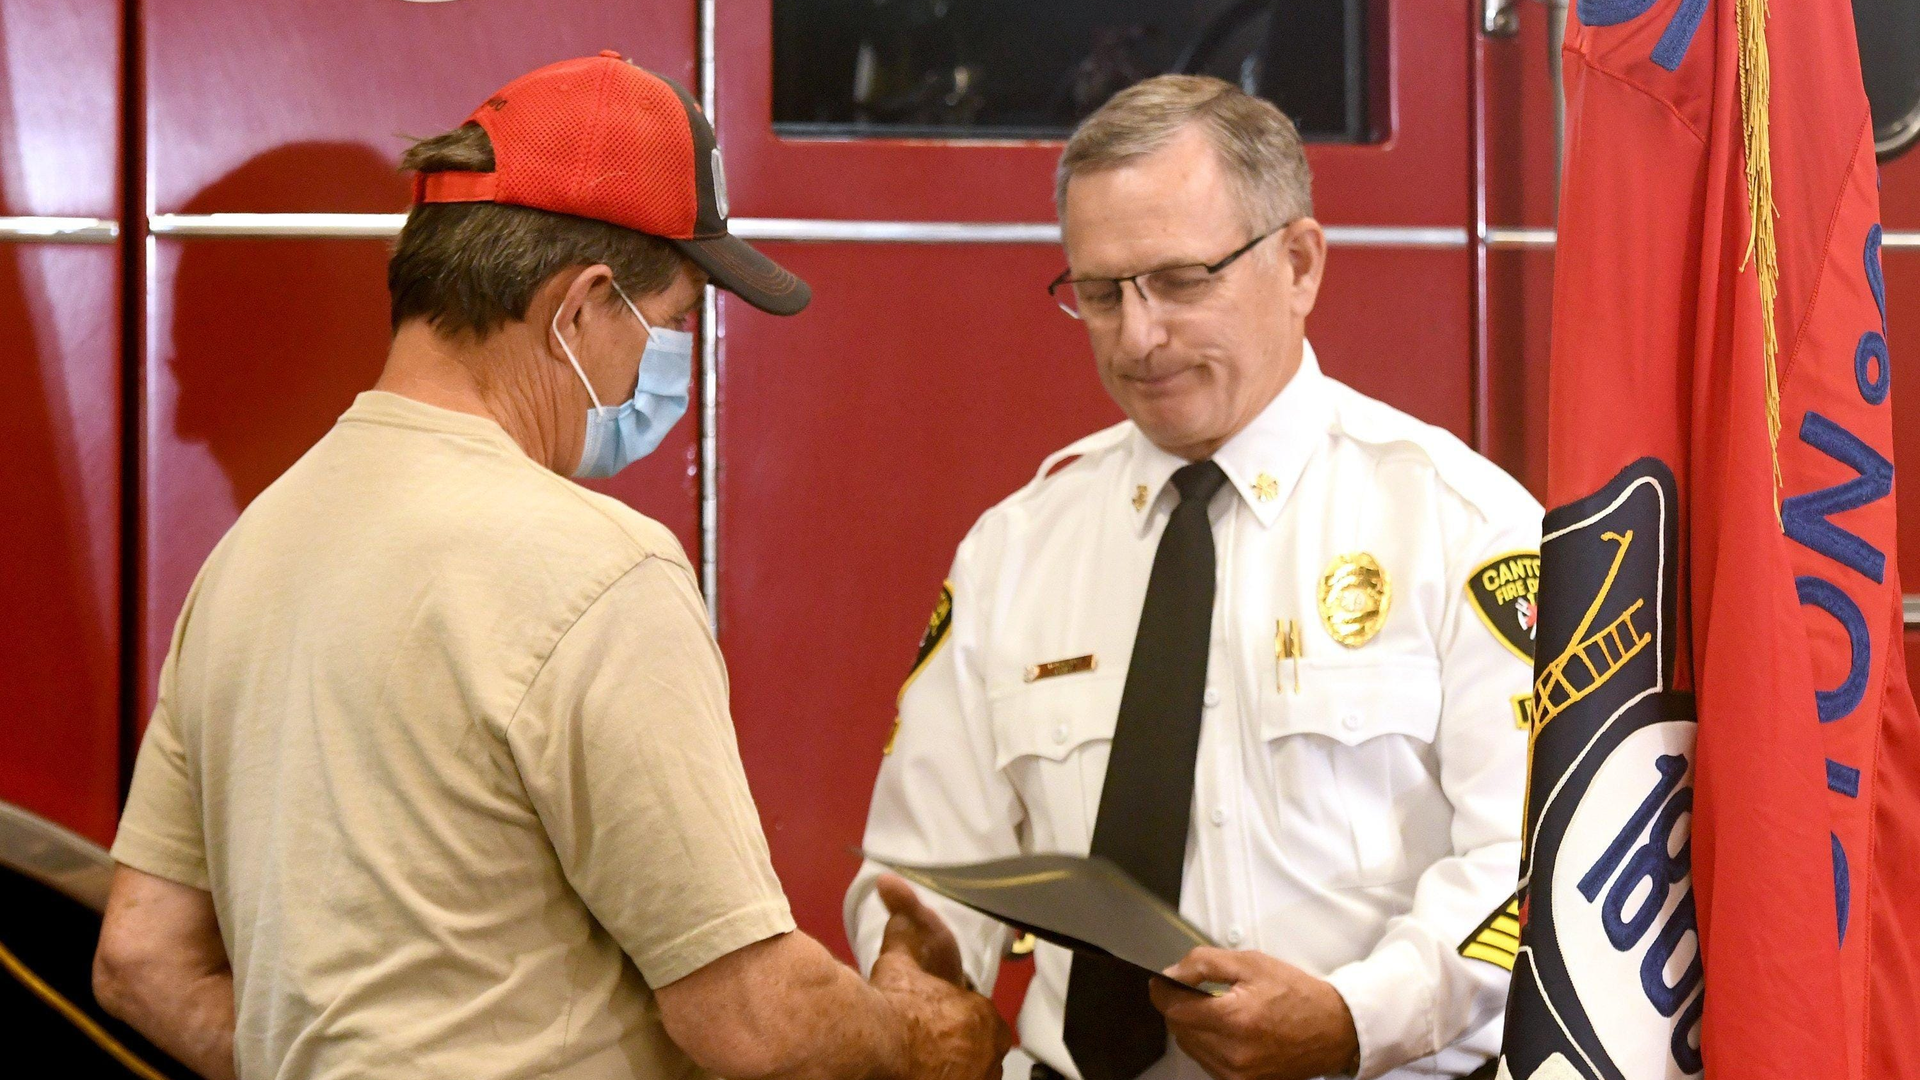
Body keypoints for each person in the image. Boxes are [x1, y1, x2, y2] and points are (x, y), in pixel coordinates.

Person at [92, 52, 1009, 1080]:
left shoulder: (253, 552)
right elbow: (758, 1023)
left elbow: (141, 960)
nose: (669, 370)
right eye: (673, 325)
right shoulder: (598, 571)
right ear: (582, 308)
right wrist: (928, 1042)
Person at [846, 75, 1540, 1080]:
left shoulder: (1458, 526)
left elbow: (1526, 870)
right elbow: (918, 867)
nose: (1137, 338)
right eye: (1099, 292)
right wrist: (909, 967)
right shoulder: (1016, 549)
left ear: (1298, 263)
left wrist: (1354, 1017)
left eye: (1180, 281)